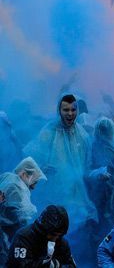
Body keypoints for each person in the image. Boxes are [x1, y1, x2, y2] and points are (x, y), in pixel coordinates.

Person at [23, 94, 95, 233]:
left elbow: (87, 166)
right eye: (66, 110)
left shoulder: (82, 135)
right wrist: (41, 169)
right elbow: (29, 159)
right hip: (52, 196)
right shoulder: (48, 132)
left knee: (75, 236)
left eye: (73, 110)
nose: (70, 113)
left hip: (77, 198)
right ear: (59, 110)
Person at [0, 158, 46, 265]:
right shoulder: (16, 187)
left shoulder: (8, 177)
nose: (34, 186)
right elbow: (19, 215)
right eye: (34, 181)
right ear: (24, 174)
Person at [8, 205, 76, 267]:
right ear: (43, 229)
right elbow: (20, 265)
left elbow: (71, 264)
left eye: (60, 235)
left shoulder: (62, 243)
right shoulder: (23, 238)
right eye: (53, 234)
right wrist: (48, 265)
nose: (55, 238)